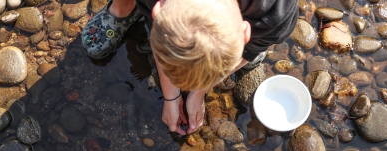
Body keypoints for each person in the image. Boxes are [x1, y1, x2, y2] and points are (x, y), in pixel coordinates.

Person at [81, 0, 298, 135]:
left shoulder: (277, 10)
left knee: (257, 45)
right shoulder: (158, 8)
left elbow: (255, 44)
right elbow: (162, 38)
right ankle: (123, 7)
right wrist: (171, 97)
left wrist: (198, 92)